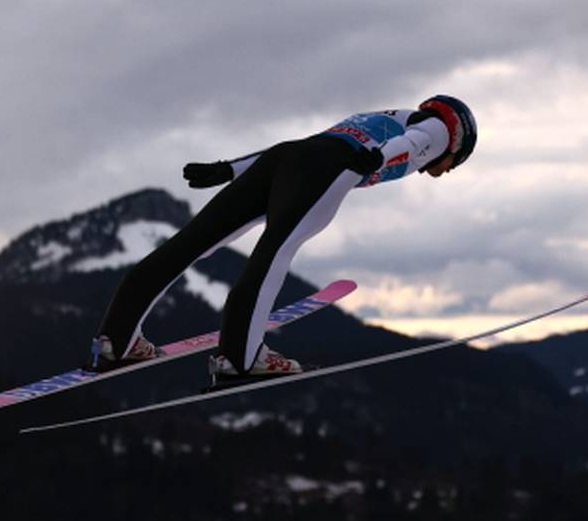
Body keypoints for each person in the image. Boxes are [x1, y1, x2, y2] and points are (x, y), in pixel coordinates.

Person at [87, 95, 477, 382]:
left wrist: (230, 169)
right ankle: (241, 358)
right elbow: (407, 147)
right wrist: (377, 158)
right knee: (275, 251)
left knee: (191, 242)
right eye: (454, 164)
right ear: (457, 144)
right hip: (328, 169)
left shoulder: (384, 115)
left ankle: (116, 342)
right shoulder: (441, 130)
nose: (444, 171)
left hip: (285, 159)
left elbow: (306, 145)